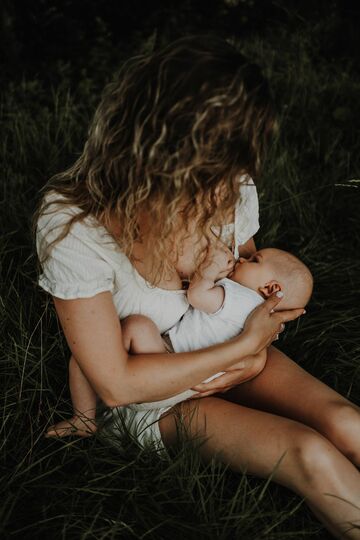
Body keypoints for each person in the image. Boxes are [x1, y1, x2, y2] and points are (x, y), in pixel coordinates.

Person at [35, 35, 360, 538]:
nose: (232, 189)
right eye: (216, 174)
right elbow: (116, 384)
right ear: (166, 160)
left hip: (221, 344)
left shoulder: (231, 186)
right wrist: (247, 346)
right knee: (307, 452)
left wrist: (255, 351)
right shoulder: (73, 226)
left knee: (345, 422)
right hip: (154, 396)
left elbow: (256, 291)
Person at [45, 245, 313, 437]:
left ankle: (84, 419)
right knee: (135, 330)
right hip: (188, 380)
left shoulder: (240, 299)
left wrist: (208, 272)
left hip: (168, 369)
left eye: (254, 260)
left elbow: (197, 296)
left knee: (109, 343)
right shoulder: (263, 319)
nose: (242, 260)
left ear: (270, 289)